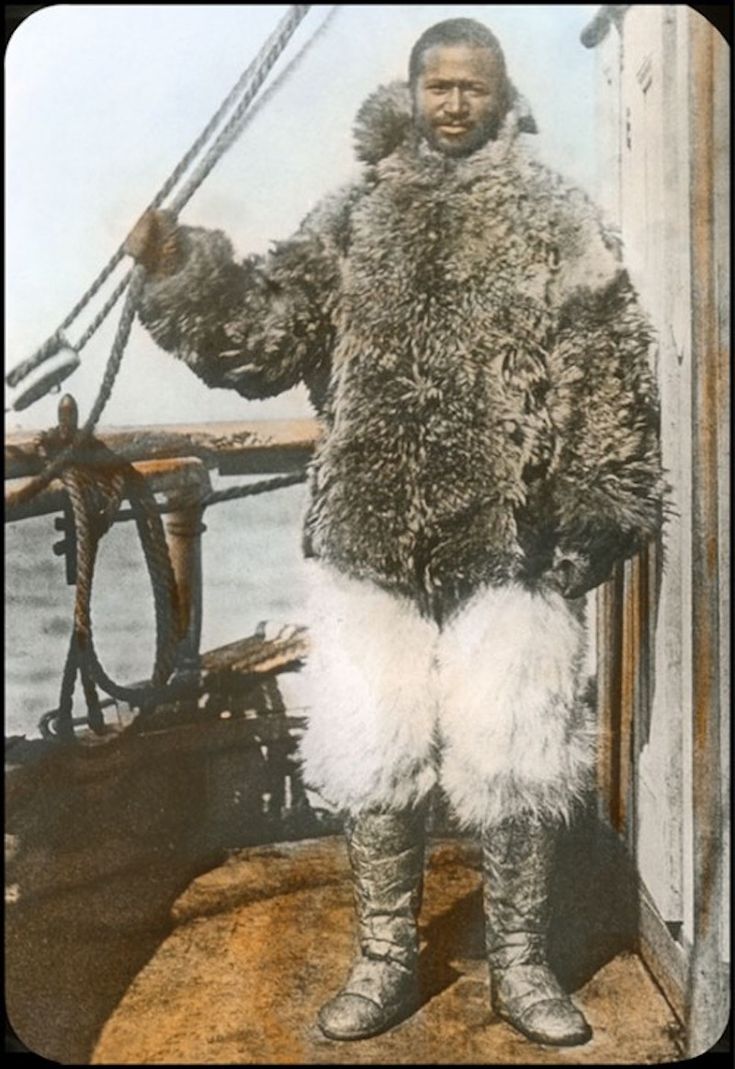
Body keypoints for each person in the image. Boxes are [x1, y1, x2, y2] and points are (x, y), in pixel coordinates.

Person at [125, 18, 664, 1047]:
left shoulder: (557, 221)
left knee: (518, 752)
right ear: (412, 94)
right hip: (369, 543)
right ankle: (383, 959)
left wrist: (590, 526)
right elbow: (264, 335)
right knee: (373, 755)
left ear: (502, 98)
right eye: (439, 87)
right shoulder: (352, 217)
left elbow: (611, 372)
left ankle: (522, 966)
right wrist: (179, 268)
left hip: (514, 542)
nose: (455, 104)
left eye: (474, 88)